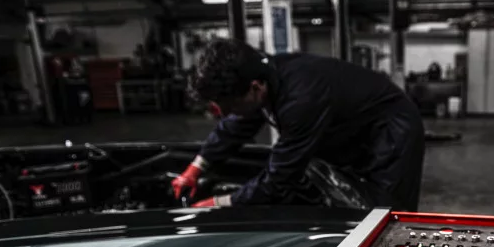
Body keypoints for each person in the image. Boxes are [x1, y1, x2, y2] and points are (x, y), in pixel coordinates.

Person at [173, 39, 426, 211]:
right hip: (352, 128)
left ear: (255, 88)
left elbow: (279, 178)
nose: (227, 114)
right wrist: (195, 169)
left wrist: (219, 203)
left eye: (231, 106)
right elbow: (235, 126)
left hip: (392, 130)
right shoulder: (260, 77)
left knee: (385, 211)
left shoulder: (301, 98)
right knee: (348, 199)